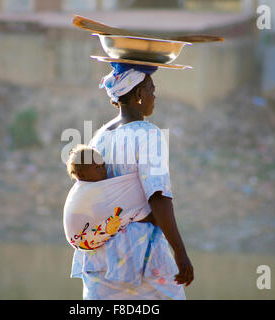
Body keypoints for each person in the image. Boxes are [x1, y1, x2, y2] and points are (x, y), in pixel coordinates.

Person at [70, 62, 194, 300]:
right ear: (138, 94)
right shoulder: (147, 134)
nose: (154, 96)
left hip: (101, 254)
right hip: (140, 256)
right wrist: (180, 252)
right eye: (151, 89)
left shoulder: (100, 136)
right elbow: (157, 195)